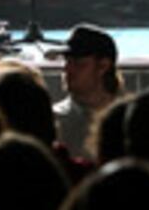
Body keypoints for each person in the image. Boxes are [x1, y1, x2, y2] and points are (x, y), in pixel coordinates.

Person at [48, 23, 122, 158]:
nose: (67, 69)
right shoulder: (53, 120)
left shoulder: (127, 119)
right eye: (66, 61)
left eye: (78, 63)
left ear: (103, 66)